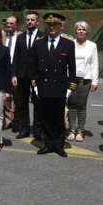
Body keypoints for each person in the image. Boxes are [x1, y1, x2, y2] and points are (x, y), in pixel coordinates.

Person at [30, 12, 74, 157]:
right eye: (49, 24)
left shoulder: (68, 44)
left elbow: (72, 68)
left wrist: (70, 88)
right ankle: (48, 144)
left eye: (55, 24)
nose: (51, 27)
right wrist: (35, 86)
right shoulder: (38, 43)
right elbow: (33, 67)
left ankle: (59, 145)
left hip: (60, 87)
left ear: (61, 27)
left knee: (59, 119)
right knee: (45, 118)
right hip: (43, 86)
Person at [66, 20, 98, 144]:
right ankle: (72, 129)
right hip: (71, 79)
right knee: (71, 104)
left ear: (87, 31)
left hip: (85, 79)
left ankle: (80, 130)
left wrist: (95, 81)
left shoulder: (92, 45)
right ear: (75, 31)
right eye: (79, 29)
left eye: (83, 29)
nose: (81, 31)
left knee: (81, 105)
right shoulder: (70, 44)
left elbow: (94, 64)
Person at [12, 11, 42, 138]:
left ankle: (37, 130)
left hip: (37, 76)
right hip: (22, 75)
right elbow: (16, 57)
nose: (30, 22)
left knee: (38, 104)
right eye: (28, 20)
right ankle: (24, 129)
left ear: (38, 22)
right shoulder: (20, 37)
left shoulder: (43, 37)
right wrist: (13, 75)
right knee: (22, 104)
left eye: (32, 20)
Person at [1, 15, 19, 131]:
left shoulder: (21, 36)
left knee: (17, 97)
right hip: (4, 70)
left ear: (16, 25)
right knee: (5, 97)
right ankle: (8, 120)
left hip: (16, 69)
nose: (8, 25)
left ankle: (17, 121)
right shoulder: (1, 36)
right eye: (7, 23)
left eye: (11, 23)